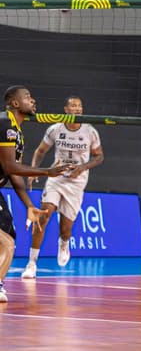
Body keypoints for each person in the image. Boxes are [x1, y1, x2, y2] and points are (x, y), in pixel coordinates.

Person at [0, 86, 72, 301]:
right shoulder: (5, 124)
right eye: (27, 97)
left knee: (8, 236)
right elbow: (10, 166)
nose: (33, 101)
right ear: (15, 103)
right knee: (6, 241)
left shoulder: (17, 132)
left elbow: (13, 173)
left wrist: (30, 205)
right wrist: (47, 171)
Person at [21, 95, 104, 278]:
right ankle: (31, 263)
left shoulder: (90, 131)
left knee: (65, 229)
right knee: (44, 215)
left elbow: (99, 157)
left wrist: (83, 167)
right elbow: (40, 151)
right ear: (66, 110)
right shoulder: (55, 129)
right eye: (73, 106)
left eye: (80, 106)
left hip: (77, 182)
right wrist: (34, 171)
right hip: (56, 177)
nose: (77, 109)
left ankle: (64, 243)